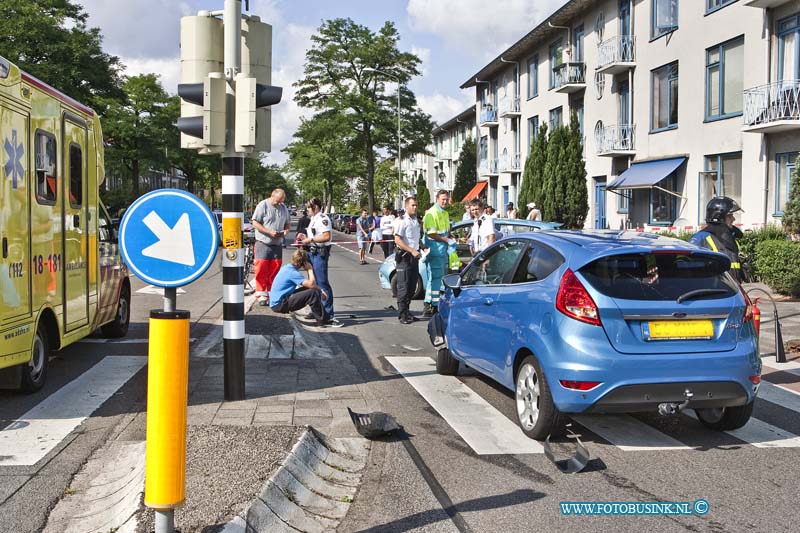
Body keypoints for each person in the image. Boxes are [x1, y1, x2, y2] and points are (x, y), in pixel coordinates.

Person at [301, 198, 343, 327]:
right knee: (313, 282)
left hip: (319, 253)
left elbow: (326, 236)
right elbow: (313, 236)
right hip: (312, 252)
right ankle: (317, 311)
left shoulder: (322, 219)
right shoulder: (313, 219)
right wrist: (304, 238)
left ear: (316, 207)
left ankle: (328, 315)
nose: (307, 210)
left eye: (309, 207)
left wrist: (310, 240)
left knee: (322, 283)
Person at [689, 196, 745, 282]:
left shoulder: (730, 237)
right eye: (730, 216)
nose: (734, 219)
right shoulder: (701, 238)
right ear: (720, 217)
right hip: (712, 291)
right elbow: (687, 264)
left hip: (733, 290)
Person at [251, 188, 290, 306]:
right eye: (278, 201)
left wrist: (286, 231)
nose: (279, 203)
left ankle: (271, 291)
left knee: (275, 267)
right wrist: (268, 232)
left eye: (281, 201)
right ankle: (261, 294)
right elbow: (255, 222)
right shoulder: (263, 205)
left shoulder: (283, 208)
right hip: (263, 242)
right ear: (272, 196)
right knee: (261, 267)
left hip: (277, 243)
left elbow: (287, 222)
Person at [269, 249, 327, 326]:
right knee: (312, 293)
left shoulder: (287, 267)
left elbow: (310, 286)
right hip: (279, 305)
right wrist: (310, 269)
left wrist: (320, 290)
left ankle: (319, 315)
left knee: (311, 290)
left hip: (278, 302)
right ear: (303, 263)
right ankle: (322, 321)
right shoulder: (292, 272)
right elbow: (312, 284)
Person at [394, 196, 423, 324]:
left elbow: (414, 238)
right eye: (413, 205)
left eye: (416, 205)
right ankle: (402, 314)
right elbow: (398, 240)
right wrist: (411, 250)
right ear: (406, 206)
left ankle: (407, 311)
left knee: (412, 287)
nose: (415, 207)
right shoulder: (402, 221)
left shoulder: (415, 221)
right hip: (405, 257)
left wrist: (421, 245)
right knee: (403, 287)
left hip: (414, 257)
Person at [422, 190, 451, 317]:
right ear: (437, 199)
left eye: (446, 199)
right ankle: (432, 305)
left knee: (436, 278)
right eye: (442, 199)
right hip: (435, 250)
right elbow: (431, 233)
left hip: (441, 249)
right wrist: (446, 239)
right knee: (436, 279)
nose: (445, 201)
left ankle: (431, 303)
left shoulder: (444, 213)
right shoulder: (432, 213)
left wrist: (450, 237)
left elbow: (445, 231)